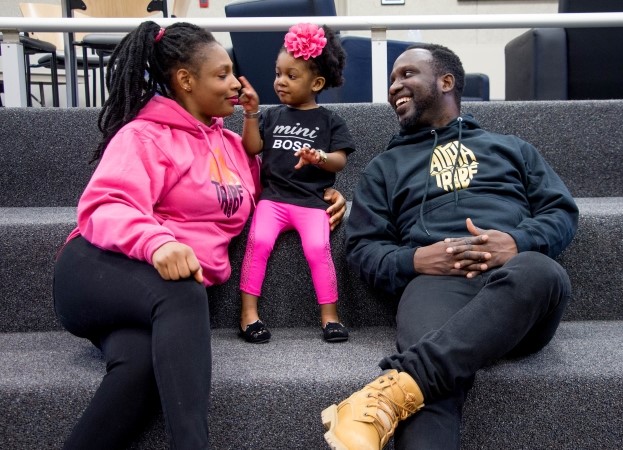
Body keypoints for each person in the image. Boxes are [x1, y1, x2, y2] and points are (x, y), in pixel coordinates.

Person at [52, 21, 345, 450]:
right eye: (222, 74)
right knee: (185, 291)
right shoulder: (144, 135)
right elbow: (105, 205)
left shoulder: (228, 145)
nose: (237, 84)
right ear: (186, 80)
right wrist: (159, 243)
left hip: (155, 300)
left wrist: (322, 193)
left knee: (140, 370)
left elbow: (269, 189)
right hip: (96, 270)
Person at [320, 43, 579, 450]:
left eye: (406, 75)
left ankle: (392, 392)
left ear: (446, 82)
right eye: (391, 80)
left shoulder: (510, 148)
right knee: (436, 382)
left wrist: (515, 242)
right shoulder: (383, 169)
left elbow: (561, 212)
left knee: (542, 272)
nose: (394, 86)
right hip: (435, 285)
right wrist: (416, 259)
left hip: (517, 286)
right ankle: (414, 383)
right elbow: (362, 249)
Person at [236, 23, 355, 343]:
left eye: (291, 75)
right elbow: (252, 148)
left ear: (316, 82)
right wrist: (251, 114)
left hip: (312, 202)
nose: (280, 82)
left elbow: (340, 160)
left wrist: (320, 157)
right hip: (273, 200)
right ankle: (249, 315)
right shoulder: (271, 116)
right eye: (278, 73)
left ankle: (330, 317)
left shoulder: (330, 121)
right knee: (258, 241)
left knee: (319, 248)